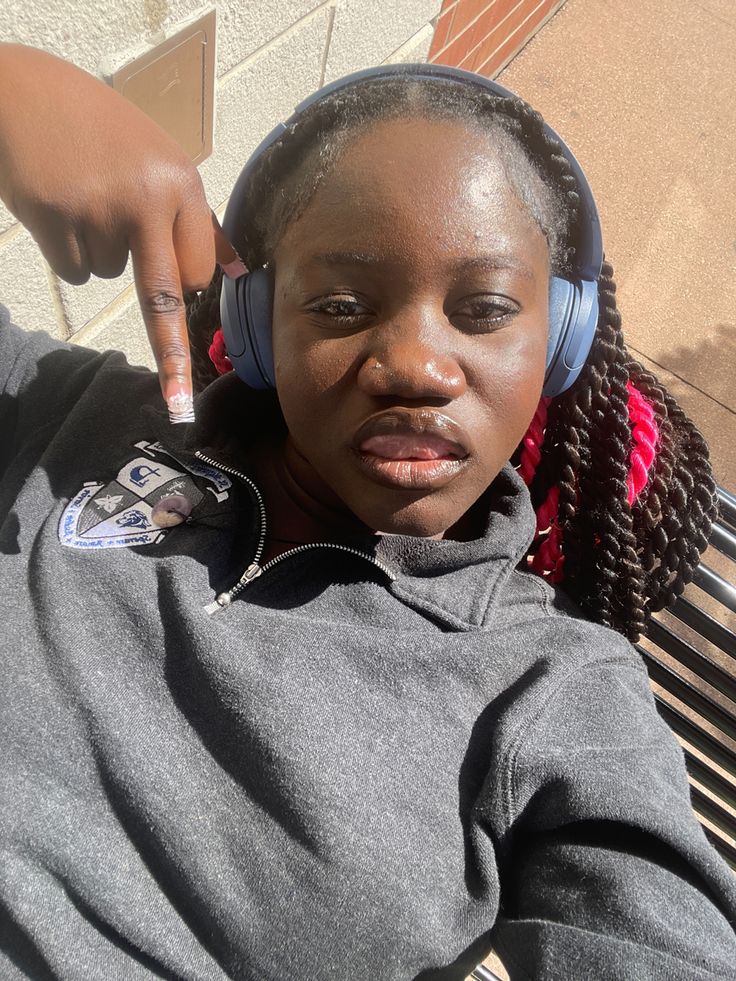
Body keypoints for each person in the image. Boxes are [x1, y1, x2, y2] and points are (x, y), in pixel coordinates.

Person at [0, 43, 734, 980]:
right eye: (343, 302)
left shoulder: (553, 692)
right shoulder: (69, 417)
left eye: (483, 308)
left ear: (558, 341)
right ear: (260, 323)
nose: (416, 366)